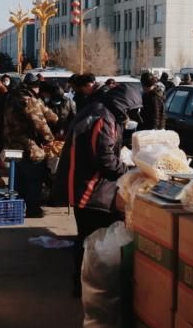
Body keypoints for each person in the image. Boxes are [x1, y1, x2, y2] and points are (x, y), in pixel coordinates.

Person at [54, 84, 141, 295]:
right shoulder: (102, 118)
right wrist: (129, 171)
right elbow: (104, 160)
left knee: (89, 237)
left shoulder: (102, 112)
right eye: (131, 111)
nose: (130, 117)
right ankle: (86, 284)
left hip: (90, 185)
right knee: (90, 239)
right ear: (123, 105)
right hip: (89, 189)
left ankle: (87, 282)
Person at [3, 74, 57, 218]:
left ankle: (17, 209)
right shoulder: (28, 100)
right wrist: (49, 139)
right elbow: (39, 122)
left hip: (13, 144)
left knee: (18, 179)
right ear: (35, 87)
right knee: (34, 178)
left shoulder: (12, 97)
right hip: (28, 145)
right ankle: (33, 209)